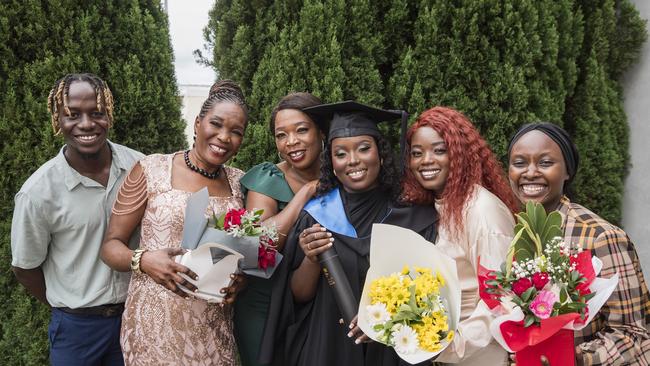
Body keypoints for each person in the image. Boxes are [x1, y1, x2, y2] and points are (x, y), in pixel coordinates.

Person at [262, 101, 437, 366]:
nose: (353, 160)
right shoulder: (317, 215)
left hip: (392, 348)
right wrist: (310, 259)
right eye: (340, 153)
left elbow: (428, 294)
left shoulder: (412, 216)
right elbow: (298, 295)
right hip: (329, 347)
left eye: (364, 149)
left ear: (380, 153)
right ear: (331, 161)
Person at [100, 80, 249, 365]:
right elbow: (110, 247)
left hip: (213, 328)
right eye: (215, 124)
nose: (223, 137)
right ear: (197, 123)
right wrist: (144, 260)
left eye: (236, 132)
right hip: (155, 326)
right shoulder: (152, 168)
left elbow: (243, 253)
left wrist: (240, 283)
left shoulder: (240, 183)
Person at [10, 73, 144, 365]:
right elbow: (25, 268)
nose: (86, 124)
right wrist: (69, 303)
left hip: (135, 317)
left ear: (109, 114)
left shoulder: (140, 168)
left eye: (96, 113)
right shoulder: (38, 193)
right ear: (57, 119)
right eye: (72, 115)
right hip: (77, 331)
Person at [507, 122, 650, 365]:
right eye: (519, 163)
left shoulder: (600, 236)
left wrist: (568, 359)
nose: (530, 172)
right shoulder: (518, 235)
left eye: (545, 163)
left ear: (567, 171)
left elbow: (633, 333)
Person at [400, 106, 520, 366]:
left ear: (459, 153)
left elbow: (501, 297)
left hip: (479, 354)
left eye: (439, 150)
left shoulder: (482, 210)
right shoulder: (432, 206)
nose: (425, 160)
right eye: (416, 153)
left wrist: (451, 343)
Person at [235, 92, 324, 366]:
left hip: (322, 305)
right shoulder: (267, 178)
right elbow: (256, 250)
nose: (291, 142)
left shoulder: (344, 173)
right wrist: (304, 194)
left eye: (301, 130)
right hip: (265, 306)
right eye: (281, 135)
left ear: (321, 132)